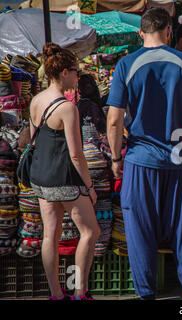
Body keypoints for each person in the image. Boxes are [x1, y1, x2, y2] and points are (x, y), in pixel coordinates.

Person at [106, 8, 182, 300]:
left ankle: (146, 294)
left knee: (141, 232)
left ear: (140, 33)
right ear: (169, 32)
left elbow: (114, 120)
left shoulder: (125, 65)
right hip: (180, 158)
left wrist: (116, 159)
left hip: (140, 160)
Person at [29, 43, 100, 300]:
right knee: (91, 232)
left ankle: (56, 295)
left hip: (41, 178)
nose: (78, 77)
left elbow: (34, 140)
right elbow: (76, 155)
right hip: (64, 179)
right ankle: (80, 291)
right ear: (64, 73)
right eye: (76, 71)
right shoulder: (68, 107)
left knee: (50, 235)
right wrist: (90, 187)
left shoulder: (36, 100)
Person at [77, 73, 107, 142]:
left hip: (82, 143)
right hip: (93, 144)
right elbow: (99, 126)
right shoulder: (92, 105)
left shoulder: (79, 104)